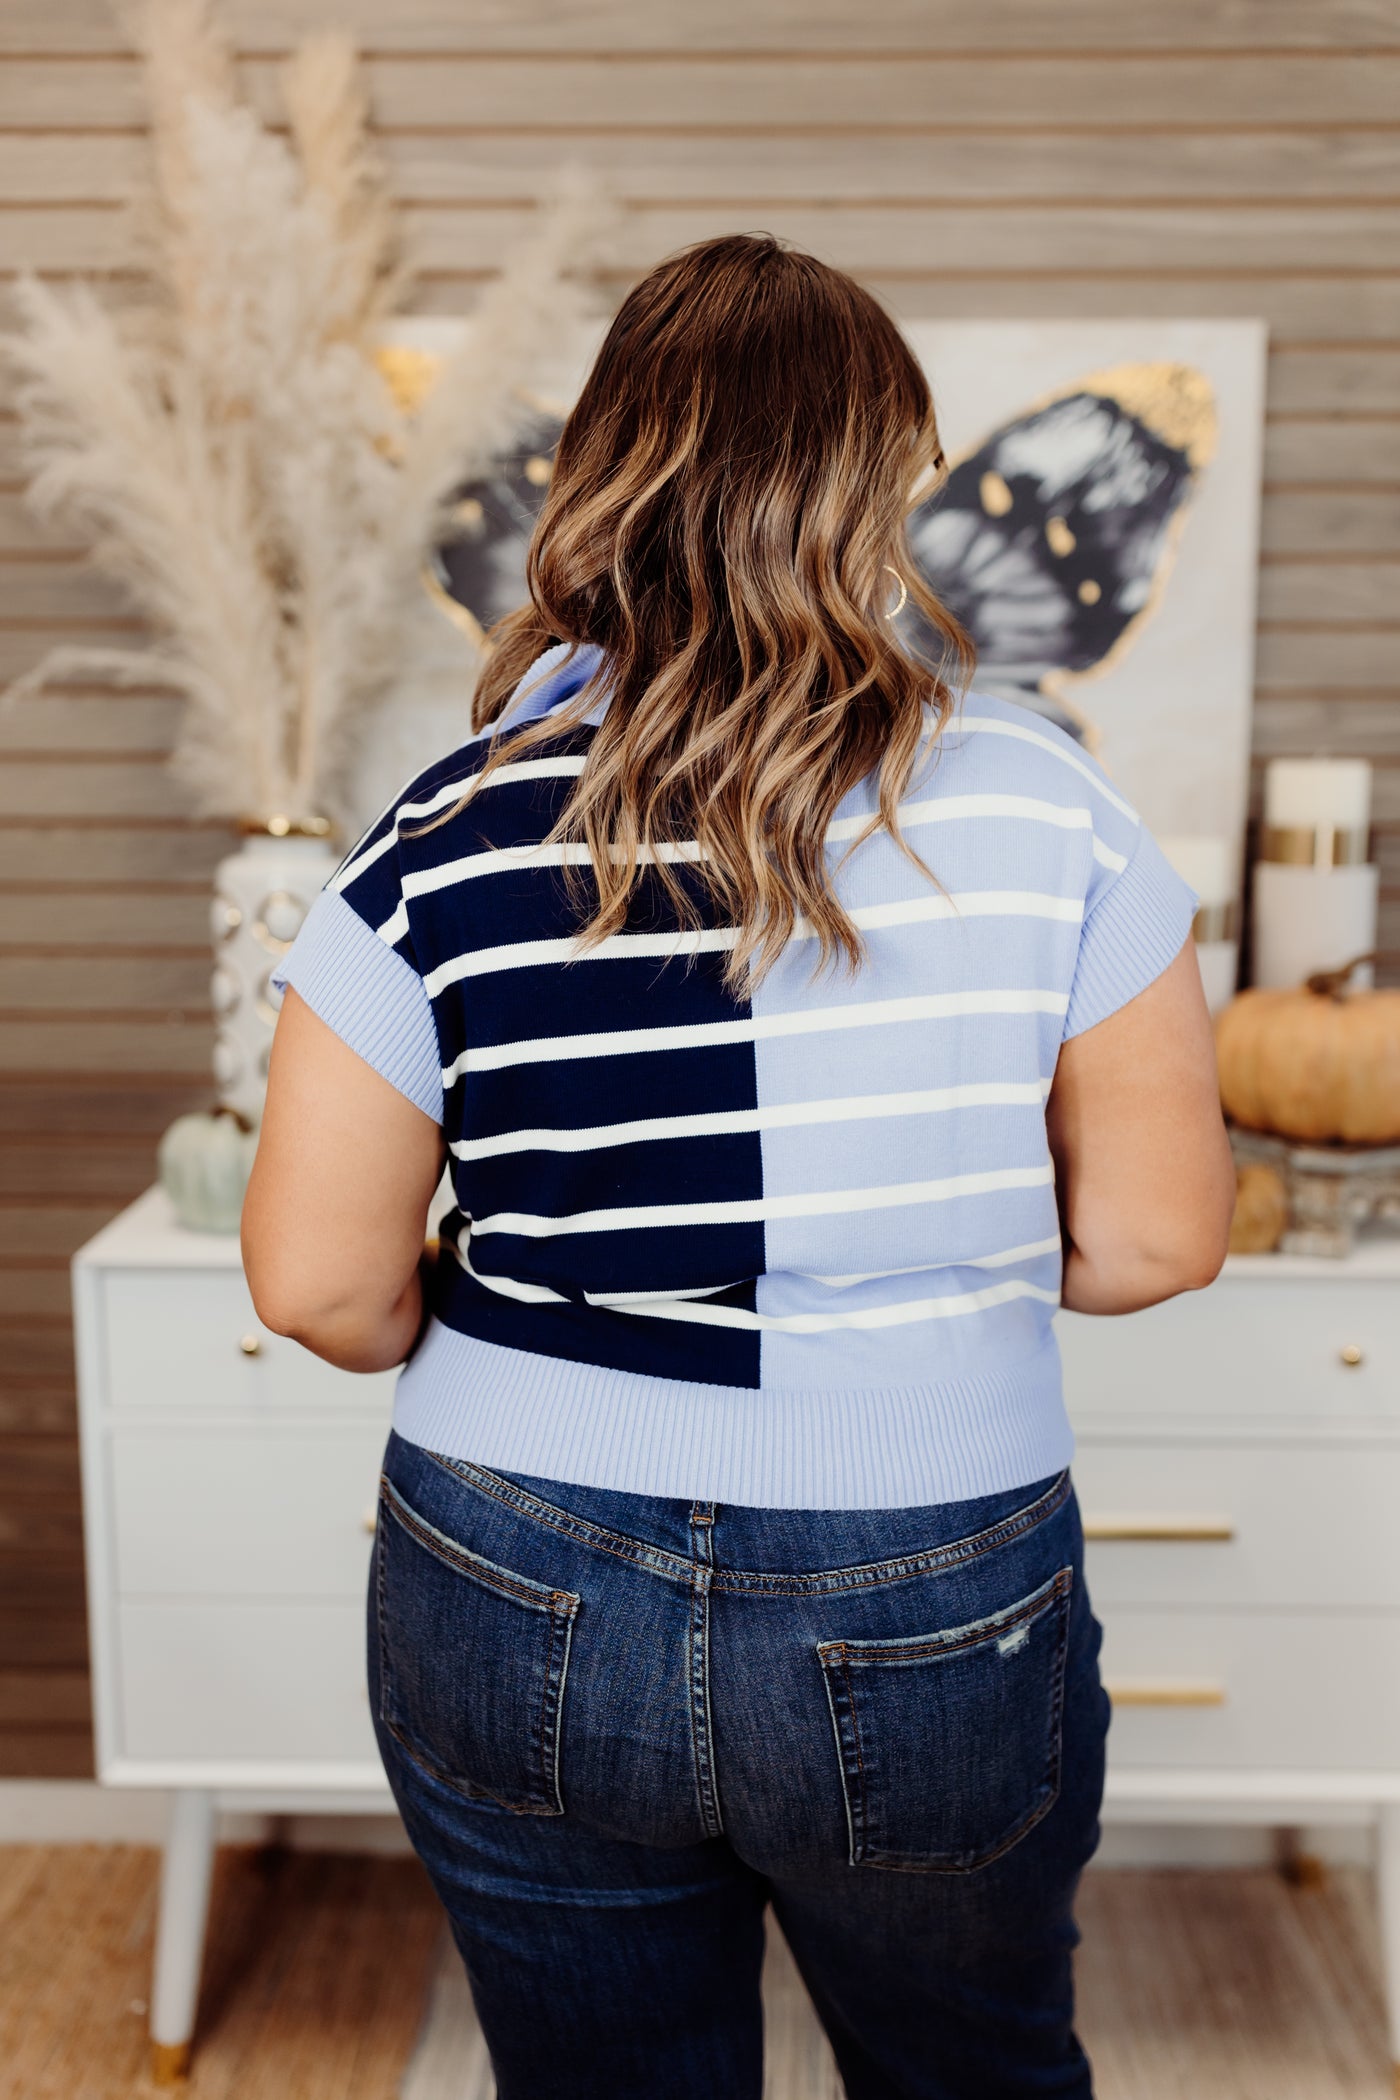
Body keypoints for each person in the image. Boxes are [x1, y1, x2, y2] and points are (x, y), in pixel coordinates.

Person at [242, 233, 1235, 2100]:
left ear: (601, 472)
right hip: (932, 1562)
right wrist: (935, 1276)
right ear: (883, 486)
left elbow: (316, 1288)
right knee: (977, 2074)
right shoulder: (1043, 803)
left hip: (515, 1556)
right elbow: (1160, 1238)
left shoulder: (441, 833)